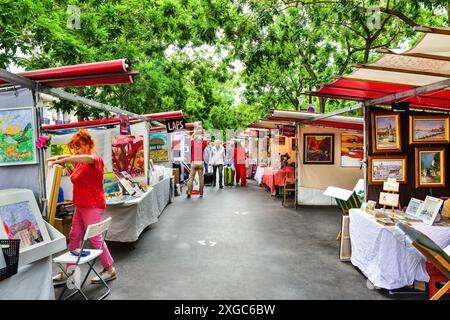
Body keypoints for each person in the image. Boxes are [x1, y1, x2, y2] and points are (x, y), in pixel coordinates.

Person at [48, 129, 117, 286]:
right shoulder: (79, 163)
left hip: (92, 205)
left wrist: (69, 157)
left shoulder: (95, 160)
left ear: (88, 144)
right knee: (74, 235)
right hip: (80, 205)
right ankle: (69, 271)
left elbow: (88, 158)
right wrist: (57, 159)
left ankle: (109, 268)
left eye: (79, 146)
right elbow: (65, 162)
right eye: (75, 147)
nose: (77, 150)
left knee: (94, 237)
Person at [187, 128, 208, 198]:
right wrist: (204, 132)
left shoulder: (193, 144)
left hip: (194, 162)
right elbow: (205, 138)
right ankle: (201, 192)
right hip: (200, 162)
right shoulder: (203, 145)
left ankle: (189, 191)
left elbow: (191, 137)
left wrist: (195, 132)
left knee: (191, 178)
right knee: (201, 178)